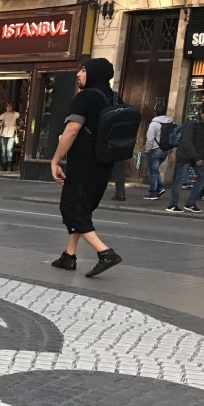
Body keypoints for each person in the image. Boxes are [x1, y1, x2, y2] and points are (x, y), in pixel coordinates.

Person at [49, 58, 124, 276]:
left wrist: (55, 160)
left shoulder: (85, 97)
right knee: (82, 211)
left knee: (71, 209)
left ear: (93, 73)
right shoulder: (115, 98)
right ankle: (69, 255)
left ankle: (105, 253)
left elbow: (72, 130)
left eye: (83, 70)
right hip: (104, 165)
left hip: (82, 166)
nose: (78, 74)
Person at [165, 99, 204, 214]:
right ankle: (172, 204)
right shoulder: (192, 123)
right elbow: (187, 142)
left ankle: (191, 203)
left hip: (199, 156)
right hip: (186, 156)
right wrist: (197, 157)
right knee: (180, 179)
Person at [144, 99, 172, 200]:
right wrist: (171, 151)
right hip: (165, 150)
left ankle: (153, 192)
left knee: (152, 172)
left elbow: (150, 139)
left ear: (155, 113)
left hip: (155, 150)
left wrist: (147, 150)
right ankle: (160, 188)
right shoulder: (170, 122)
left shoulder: (154, 124)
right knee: (155, 170)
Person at [0, 103, 20, 171]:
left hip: (12, 134)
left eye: (10, 106)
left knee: (9, 149)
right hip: (3, 134)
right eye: (7, 106)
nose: (9, 108)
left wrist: (17, 127)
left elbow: (21, 123)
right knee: (3, 150)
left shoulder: (16, 115)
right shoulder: (2, 115)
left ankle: (9, 165)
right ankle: (4, 165)